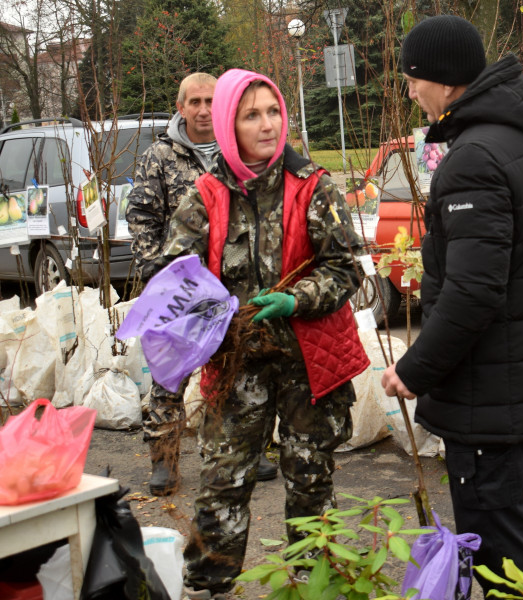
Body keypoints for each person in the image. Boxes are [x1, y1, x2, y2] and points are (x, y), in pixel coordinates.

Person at [149, 68, 369, 599]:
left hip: (308, 365)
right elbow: (176, 277)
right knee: (223, 481)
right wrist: (213, 310)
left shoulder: (315, 186)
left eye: (273, 111)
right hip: (235, 366)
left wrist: (299, 298)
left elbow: (346, 268)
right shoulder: (203, 196)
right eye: (251, 115)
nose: (267, 124)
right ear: (229, 124)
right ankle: (210, 586)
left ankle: (313, 588)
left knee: (310, 481)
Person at [380, 15, 523, 595]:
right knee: (507, 522)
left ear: (443, 78)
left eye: (413, 78)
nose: (410, 90)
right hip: (514, 371)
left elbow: (472, 291)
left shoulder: (475, 157)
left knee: (496, 541)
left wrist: (413, 370)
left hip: (485, 385)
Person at [127, 72, 279, 496]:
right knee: (169, 376)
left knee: (240, 366)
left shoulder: (239, 152)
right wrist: (159, 275)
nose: (203, 110)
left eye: (211, 101)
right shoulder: (159, 156)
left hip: (231, 284)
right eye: (193, 102)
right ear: (181, 108)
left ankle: (250, 449)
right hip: (181, 287)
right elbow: (141, 217)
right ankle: (165, 460)